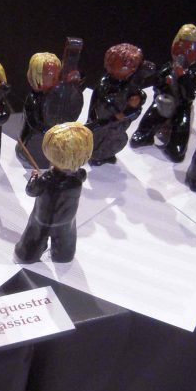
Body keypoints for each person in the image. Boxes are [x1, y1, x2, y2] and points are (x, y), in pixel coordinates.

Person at [15, 122, 93, 264]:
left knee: (36, 236)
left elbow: (31, 191)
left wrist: (33, 177)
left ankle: (27, 254)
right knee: (66, 238)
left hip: (43, 219)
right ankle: (64, 255)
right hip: (67, 218)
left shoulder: (46, 179)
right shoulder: (79, 176)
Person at [130, 24, 196, 163]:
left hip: (181, 107)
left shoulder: (190, 75)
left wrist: (182, 77)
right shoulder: (167, 68)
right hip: (163, 102)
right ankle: (144, 134)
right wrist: (165, 83)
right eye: (180, 48)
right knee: (151, 116)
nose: (183, 54)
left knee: (182, 125)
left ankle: (176, 146)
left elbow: (190, 95)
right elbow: (156, 85)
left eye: (189, 50)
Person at [86, 43, 150, 166]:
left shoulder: (129, 83)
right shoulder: (105, 83)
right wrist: (116, 112)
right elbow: (105, 100)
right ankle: (96, 156)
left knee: (115, 139)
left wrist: (138, 99)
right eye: (126, 66)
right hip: (103, 119)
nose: (132, 70)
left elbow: (139, 94)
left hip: (118, 124)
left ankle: (108, 154)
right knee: (98, 139)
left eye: (134, 67)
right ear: (110, 65)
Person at [17, 52, 62, 168]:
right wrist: (48, 130)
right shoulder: (33, 100)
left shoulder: (54, 95)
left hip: (49, 137)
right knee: (37, 155)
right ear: (36, 77)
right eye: (51, 76)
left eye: (58, 75)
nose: (56, 79)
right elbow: (33, 122)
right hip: (35, 138)